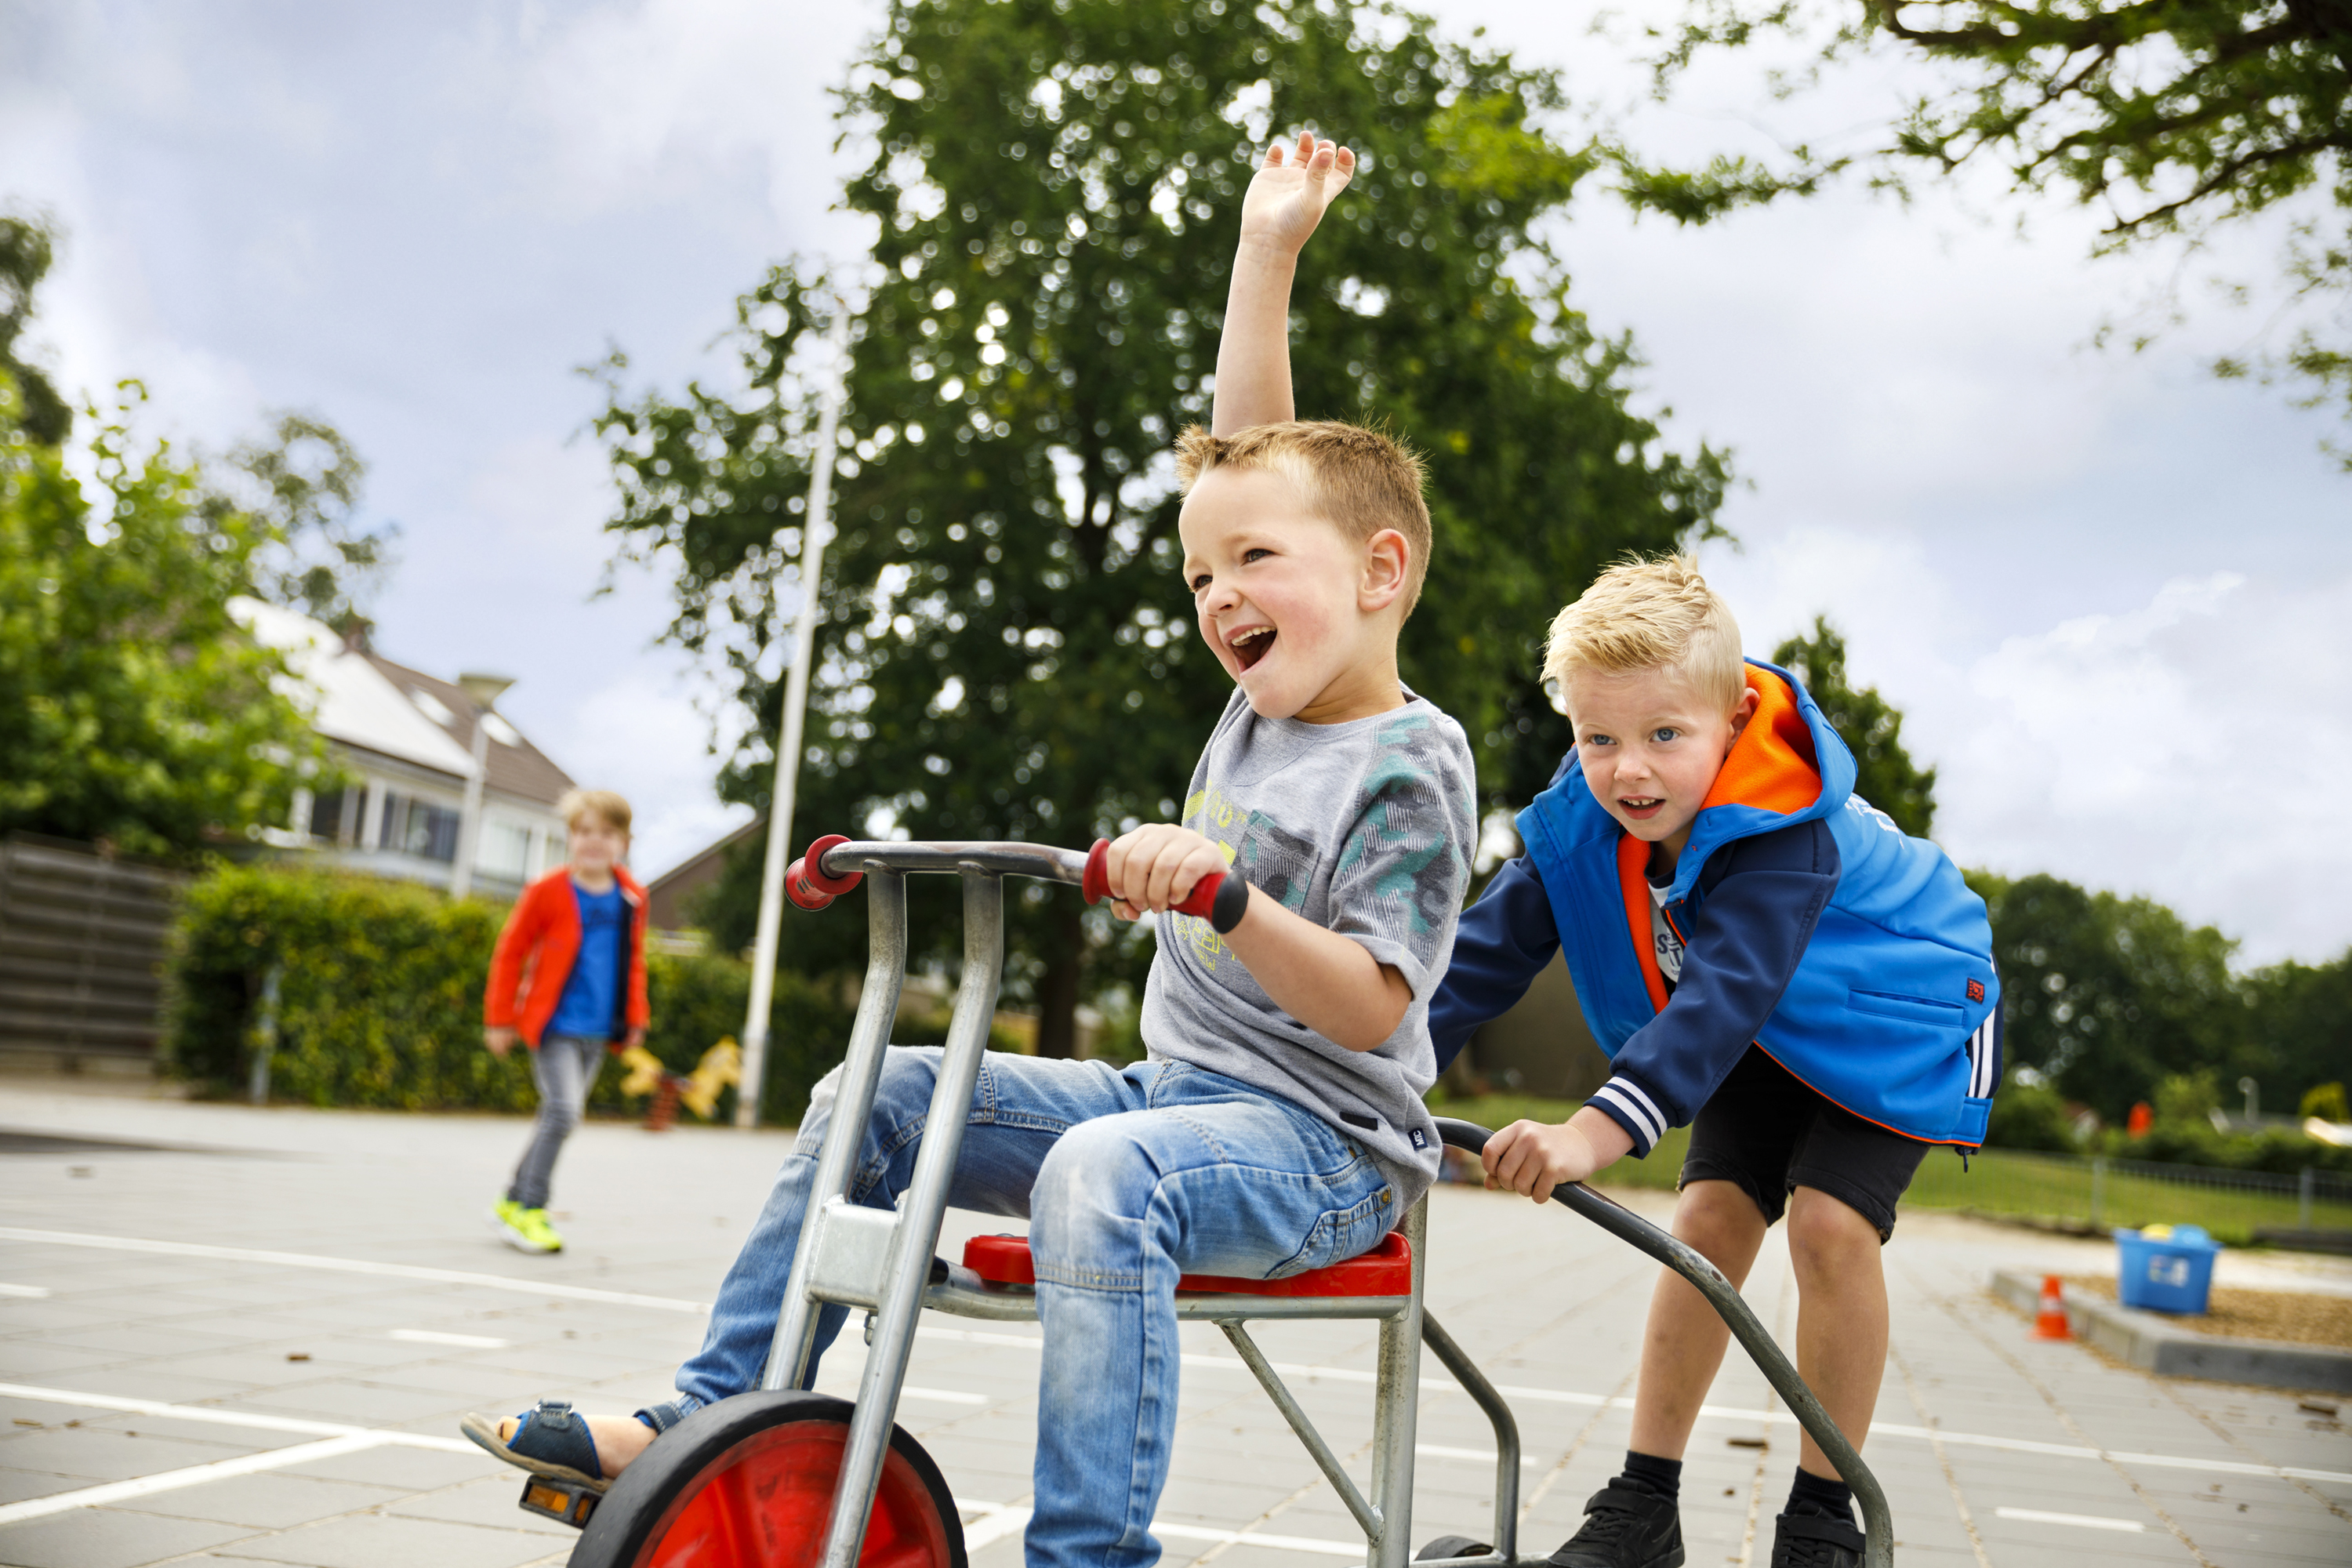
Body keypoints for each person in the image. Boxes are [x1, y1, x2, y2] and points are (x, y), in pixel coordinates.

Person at [460, 194, 1478, 1568]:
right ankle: (715, 1416)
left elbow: (1368, 1010)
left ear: (1380, 572)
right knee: (870, 1090)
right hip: (1168, 1098)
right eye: (1197, 575)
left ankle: (1085, 1556)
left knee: (1109, 1176)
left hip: (1326, 1150)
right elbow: (1252, 454)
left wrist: (1225, 897)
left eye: (1253, 563)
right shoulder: (1264, 698)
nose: (1218, 595)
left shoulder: (1408, 764)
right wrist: (1266, 253)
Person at [1220, 135, 1999, 1568]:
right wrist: (1357, 1070)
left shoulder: (1782, 842)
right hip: (1766, 1025)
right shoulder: (1588, 816)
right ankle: (1640, 1503)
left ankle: (1824, 1519)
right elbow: (1471, 958)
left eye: (1661, 741)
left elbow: (1719, 1002)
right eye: (1596, 739)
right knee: (1708, 1215)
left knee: (1828, 1225)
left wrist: (1587, 1130)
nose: (1628, 770)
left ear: (1727, 718)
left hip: (1892, 1002)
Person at [481, 787, 650, 1255]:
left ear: (625, 842)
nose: (594, 841)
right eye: (584, 832)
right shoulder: (547, 890)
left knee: (553, 1116)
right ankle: (532, 1209)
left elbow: (634, 960)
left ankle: (511, 1199)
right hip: (553, 1025)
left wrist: (635, 1016)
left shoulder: (632, 897)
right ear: (571, 838)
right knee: (563, 1113)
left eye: (606, 833)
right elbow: (509, 952)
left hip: (599, 1030)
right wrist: (499, 1019)